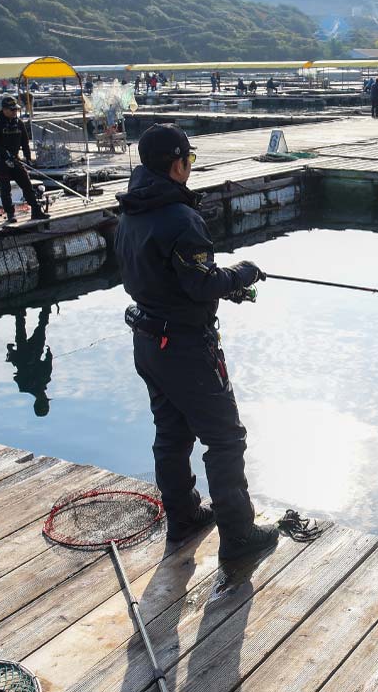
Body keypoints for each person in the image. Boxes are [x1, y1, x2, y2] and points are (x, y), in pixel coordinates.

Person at [114, 123, 275, 561]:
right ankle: (239, 537)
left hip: (148, 341)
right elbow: (203, 284)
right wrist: (242, 274)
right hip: (185, 347)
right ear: (177, 163)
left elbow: (176, 278)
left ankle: (183, 516)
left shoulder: (132, 210)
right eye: (191, 160)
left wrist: (221, 285)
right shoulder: (180, 217)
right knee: (225, 439)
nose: (191, 167)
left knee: (171, 433)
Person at [0, 96, 47, 223]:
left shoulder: (19, 123)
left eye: (16, 109)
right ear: (4, 109)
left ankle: (36, 211)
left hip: (15, 159)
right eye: (12, 109)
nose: (15, 112)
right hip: (0, 160)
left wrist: (28, 158)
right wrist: (5, 153)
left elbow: (25, 142)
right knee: (5, 189)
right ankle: (10, 214)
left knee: (27, 184)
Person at [7, 306, 53, 417]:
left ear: (37, 402)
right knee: (41, 327)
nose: (45, 397)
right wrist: (48, 354)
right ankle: (45, 306)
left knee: (22, 333)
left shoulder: (25, 387)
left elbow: (19, 371)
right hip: (36, 351)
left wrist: (10, 351)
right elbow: (48, 364)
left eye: (43, 401)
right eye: (46, 401)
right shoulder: (45, 379)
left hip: (24, 354)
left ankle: (20, 312)